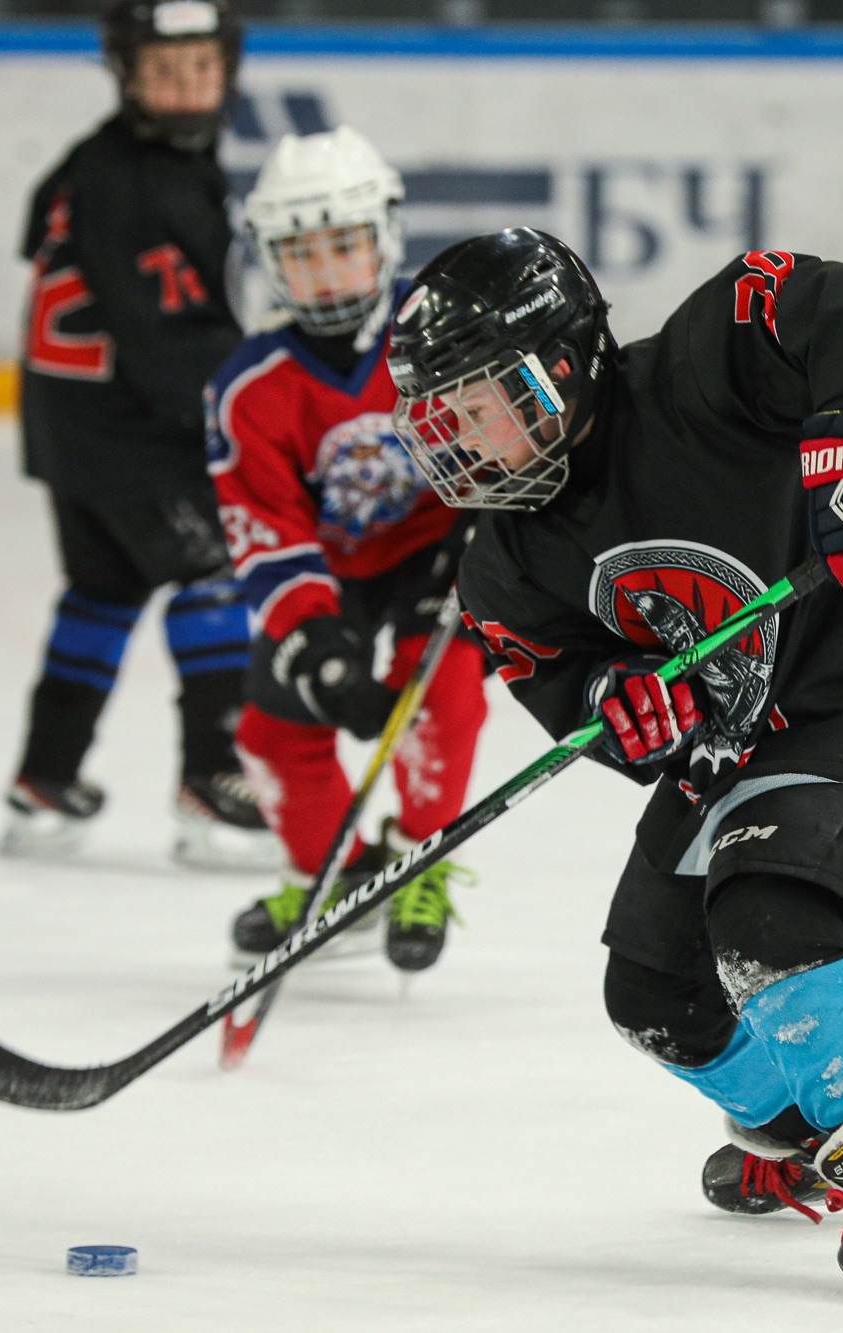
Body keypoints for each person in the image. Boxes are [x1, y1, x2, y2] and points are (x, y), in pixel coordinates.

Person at [384, 230, 843, 1300]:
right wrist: (619, 705)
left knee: (767, 930)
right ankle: (800, 1144)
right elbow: (556, 672)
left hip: (837, 699)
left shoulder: (698, 374)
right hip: (722, 748)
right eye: (440, 417)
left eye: (477, 404)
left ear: (556, 368)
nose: (458, 439)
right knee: (650, 989)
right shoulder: (505, 553)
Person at [5, 0, 276, 871]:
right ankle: (213, 778)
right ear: (127, 75)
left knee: (103, 588)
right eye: (166, 72)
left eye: (202, 67)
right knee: (214, 572)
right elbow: (170, 341)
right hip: (129, 428)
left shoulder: (100, 160)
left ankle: (44, 780)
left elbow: (37, 234)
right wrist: (253, 413)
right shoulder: (139, 180)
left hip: (70, 424)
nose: (188, 89)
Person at [209, 128, 488, 974]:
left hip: (432, 553)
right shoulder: (250, 385)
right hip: (327, 572)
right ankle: (336, 875)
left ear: (386, 238)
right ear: (268, 262)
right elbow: (266, 529)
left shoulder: (441, 336)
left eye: (345, 245)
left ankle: (415, 860)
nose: (326, 272)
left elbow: (510, 442)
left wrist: (484, 529)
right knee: (271, 728)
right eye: (301, 254)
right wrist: (315, 643)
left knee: (441, 689)